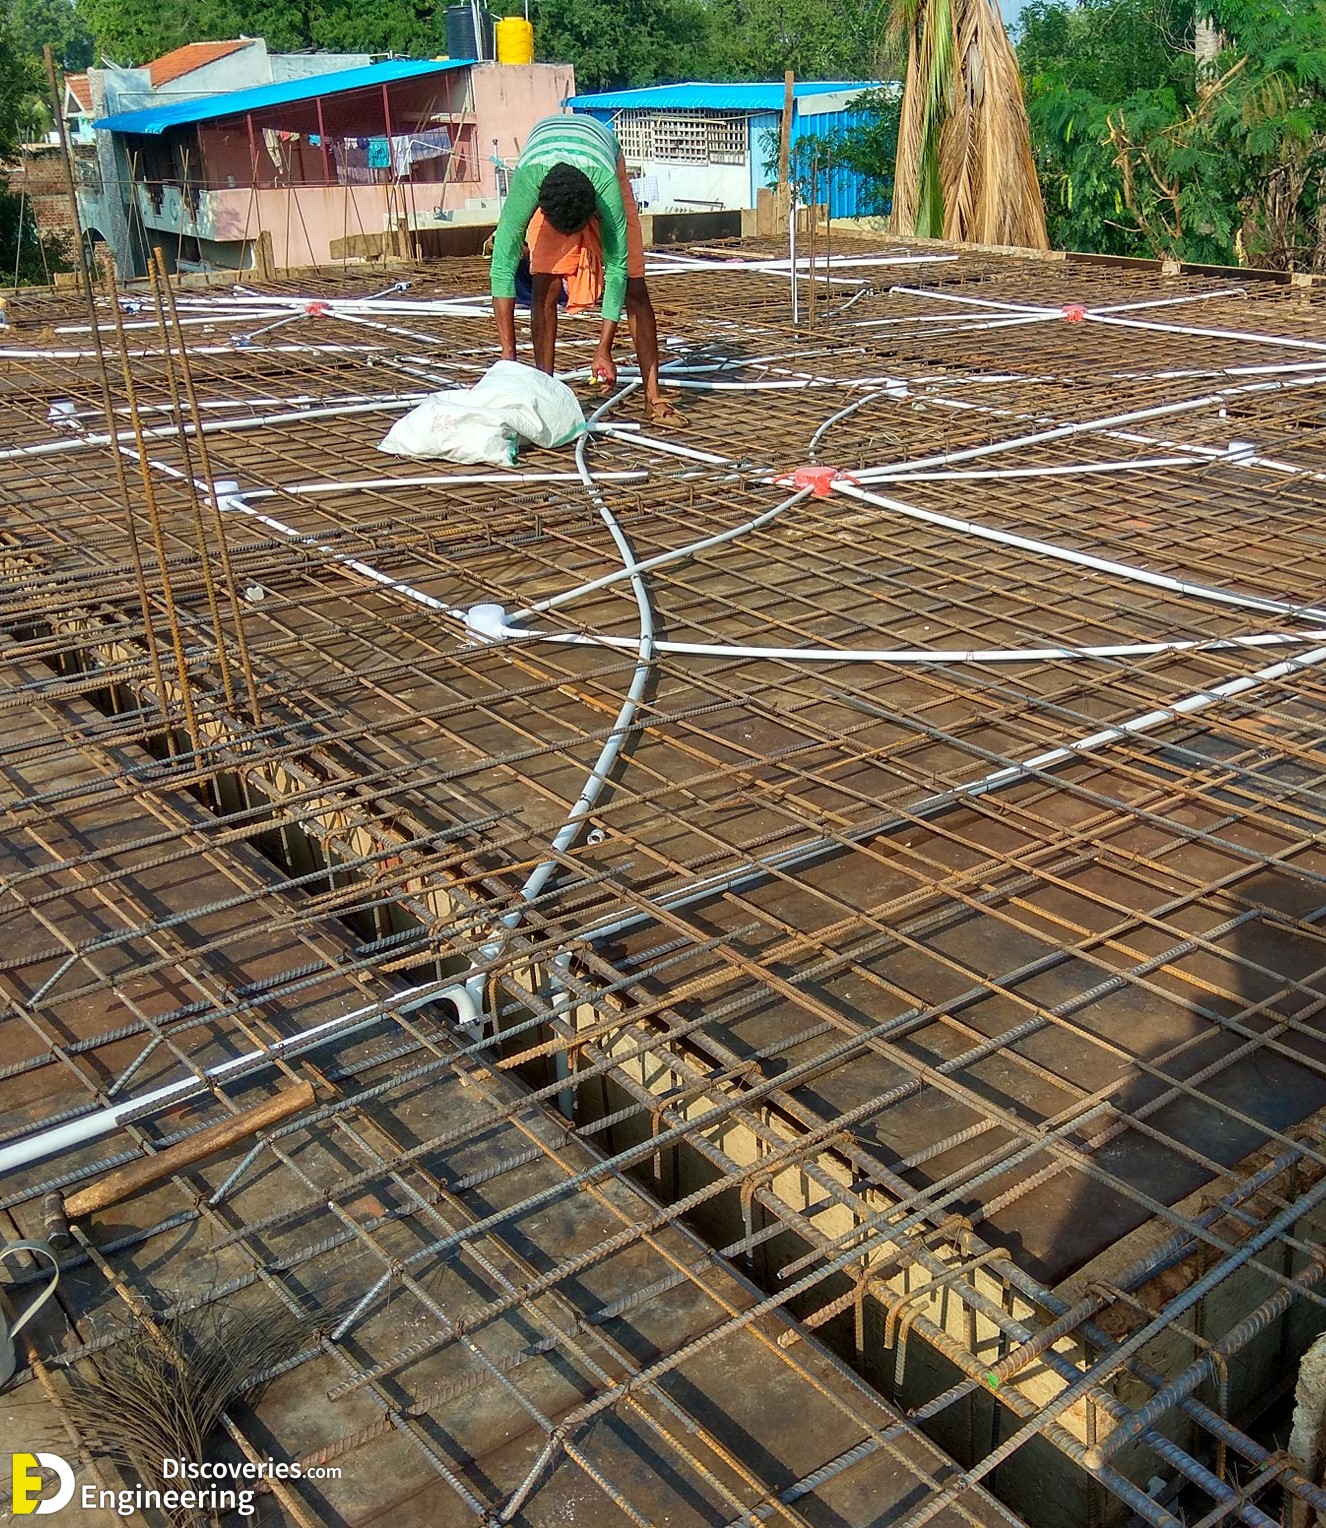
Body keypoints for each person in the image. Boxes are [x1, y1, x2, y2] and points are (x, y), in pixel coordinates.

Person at [489, 113, 685, 426]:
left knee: (634, 286)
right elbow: (502, 266)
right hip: (544, 153)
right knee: (544, 283)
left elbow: (617, 269)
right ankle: (546, 396)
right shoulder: (528, 181)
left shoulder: (606, 188)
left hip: (602, 156)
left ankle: (653, 398)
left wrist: (603, 349)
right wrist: (507, 359)